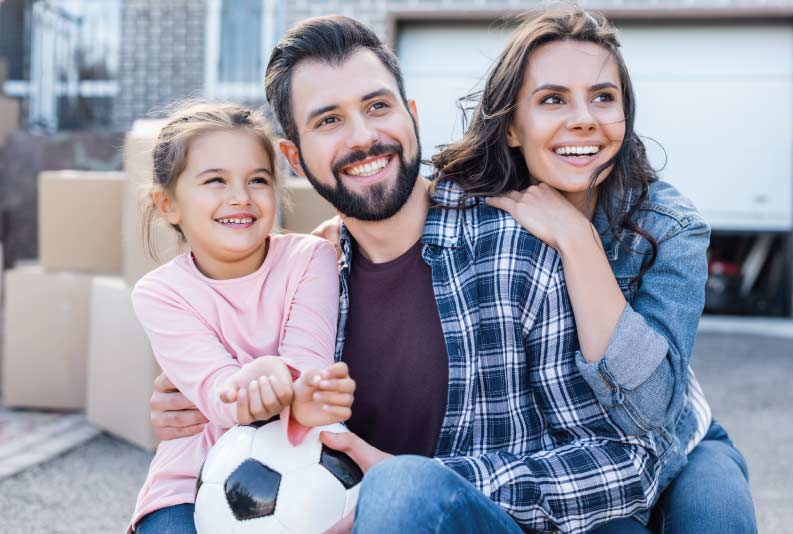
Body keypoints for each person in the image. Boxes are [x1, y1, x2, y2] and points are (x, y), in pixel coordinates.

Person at [149, 16, 660, 534]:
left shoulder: (513, 253)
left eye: (377, 106)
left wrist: (419, 481)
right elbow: (233, 388)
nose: (364, 136)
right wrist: (198, 404)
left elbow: (624, 463)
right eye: (328, 121)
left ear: (411, 115)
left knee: (403, 491)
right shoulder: (307, 279)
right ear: (295, 159)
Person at [432, 8, 756, 533]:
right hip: (578, 470)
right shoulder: (476, 212)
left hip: (678, 444)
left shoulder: (670, 228)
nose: (584, 118)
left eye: (603, 97)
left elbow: (652, 408)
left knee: (718, 521)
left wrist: (577, 239)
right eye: (553, 99)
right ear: (512, 126)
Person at [128, 102, 355, 534]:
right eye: (215, 181)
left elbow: (310, 362)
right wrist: (269, 376)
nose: (241, 197)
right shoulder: (161, 293)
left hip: (301, 472)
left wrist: (290, 378)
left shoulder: (310, 259)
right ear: (167, 205)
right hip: (188, 486)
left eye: (258, 180)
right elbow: (217, 392)